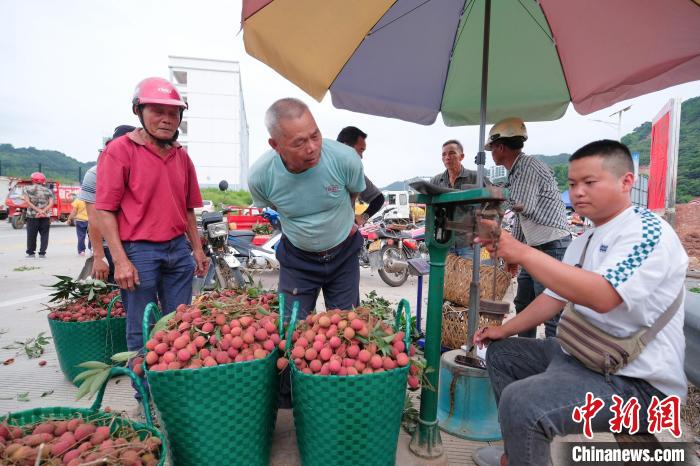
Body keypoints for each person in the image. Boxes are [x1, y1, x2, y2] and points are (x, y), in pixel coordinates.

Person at [473, 140, 687, 466]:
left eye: (590, 182)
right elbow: (553, 297)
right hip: (583, 357)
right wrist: (502, 331)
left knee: (522, 401)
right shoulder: (586, 237)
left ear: (625, 182)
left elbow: (604, 295)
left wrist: (523, 253)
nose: (578, 193)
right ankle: (518, 454)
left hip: (637, 382)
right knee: (500, 353)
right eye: (572, 184)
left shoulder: (647, 231)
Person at [96, 78, 207, 360]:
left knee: (178, 323)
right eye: (157, 111)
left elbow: (189, 208)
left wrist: (196, 248)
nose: (167, 120)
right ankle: (143, 395)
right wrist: (119, 260)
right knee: (141, 326)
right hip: (138, 251)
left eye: (173, 113)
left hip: (177, 249)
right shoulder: (119, 151)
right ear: (138, 111)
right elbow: (105, 210)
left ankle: (171, 388)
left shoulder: (182, 156)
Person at [249, 98, 365, 318]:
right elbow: (273, 205)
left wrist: (347, 218)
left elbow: (354, 192)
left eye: (315, 135)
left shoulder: (345, 159)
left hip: (343, 255)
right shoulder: (261, 177)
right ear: (275, 145)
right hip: (297, 261)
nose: (312, 148)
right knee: (291, 329)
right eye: (299, 143)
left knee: (345, 329)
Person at [485, 117, 571, 338]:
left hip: (552, 246)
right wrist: (514, 255)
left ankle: (553, 364)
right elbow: (523, 219)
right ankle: (524, 353)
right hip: (535, 248)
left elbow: (525, 205)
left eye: (492, 148)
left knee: (552, 312)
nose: (491, 153)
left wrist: (493, 198)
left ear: (501, 147)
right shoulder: (515, 173)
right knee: (524, 303)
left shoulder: (528, 166)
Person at [79, 125, 136, 282]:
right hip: (109, 246)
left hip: (139, 244)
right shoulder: (95, 174)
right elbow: (94, 219)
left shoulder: (143, 171)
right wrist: (99, 257)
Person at [430, 139, 489, 257]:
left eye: (452, 153)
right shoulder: (436, 181)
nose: (447, 157)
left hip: (468, 243)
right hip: (444, 241)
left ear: (461, 156)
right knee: (447, 275)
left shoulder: (475, 178)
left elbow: (495, 199)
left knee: (468, 275)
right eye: (444, 154)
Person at [336, 126, 385, 225]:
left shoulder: (356, 172)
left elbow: (378, 199)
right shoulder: (316, 166)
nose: (361, 157)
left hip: (345, 235)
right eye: (361, 150)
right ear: (346, 147)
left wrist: (363, 217)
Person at [22, 172, 54, 258]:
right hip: (45, 216)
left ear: (32, 180)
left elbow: (27, 202)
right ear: (43, 180)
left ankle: (31, 253)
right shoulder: (48, 190)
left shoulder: (27, 189)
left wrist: (38, 210)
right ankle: (42, 253)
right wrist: (43, 211)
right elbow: (51, 203)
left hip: (32, 216)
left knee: (31, 235)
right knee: (44, 235)